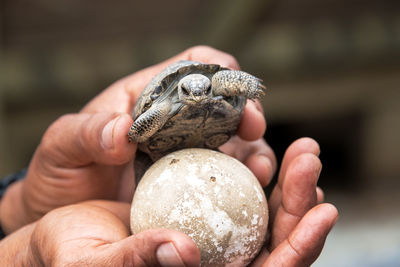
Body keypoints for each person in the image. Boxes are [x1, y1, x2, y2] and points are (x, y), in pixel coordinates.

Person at [0, 46, 338, 266]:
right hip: (161, 147)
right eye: (191, 91)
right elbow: (142, 127)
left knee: (253, 136)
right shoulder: (165, 103)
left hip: (206, 143)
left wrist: (243, 85)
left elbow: (225, 82)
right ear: (181, 89)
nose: (198, 96)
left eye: (204, 90)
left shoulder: (215, 84)